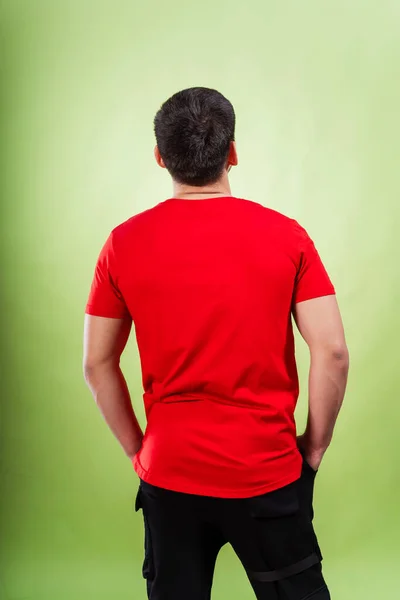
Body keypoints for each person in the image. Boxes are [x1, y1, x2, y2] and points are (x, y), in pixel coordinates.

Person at [83, 87, 349, 600]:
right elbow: (332, 351)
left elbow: (97, 363)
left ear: (160, 157)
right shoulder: (287, 236)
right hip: (265, 471)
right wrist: (313, 448)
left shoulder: (123, 242)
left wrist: (142, 452)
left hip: (170, 469)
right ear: (232, 152)